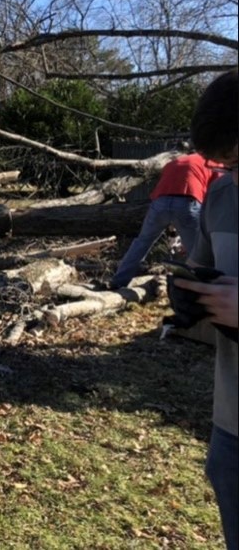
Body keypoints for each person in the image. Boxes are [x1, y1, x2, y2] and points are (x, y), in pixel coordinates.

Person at [167, 68, 238, 550]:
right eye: (229, 164)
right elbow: (204, 265)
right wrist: (189, 292)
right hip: (231, 423)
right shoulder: (222, 191)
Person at [109, 148, 220, 289]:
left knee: (142, 242)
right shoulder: (214, 162)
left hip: (159, 203)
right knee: (199, 252)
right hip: (187, 202)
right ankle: (206, 288)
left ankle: (118, 281)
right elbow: (218, 193)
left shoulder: (177, 161)